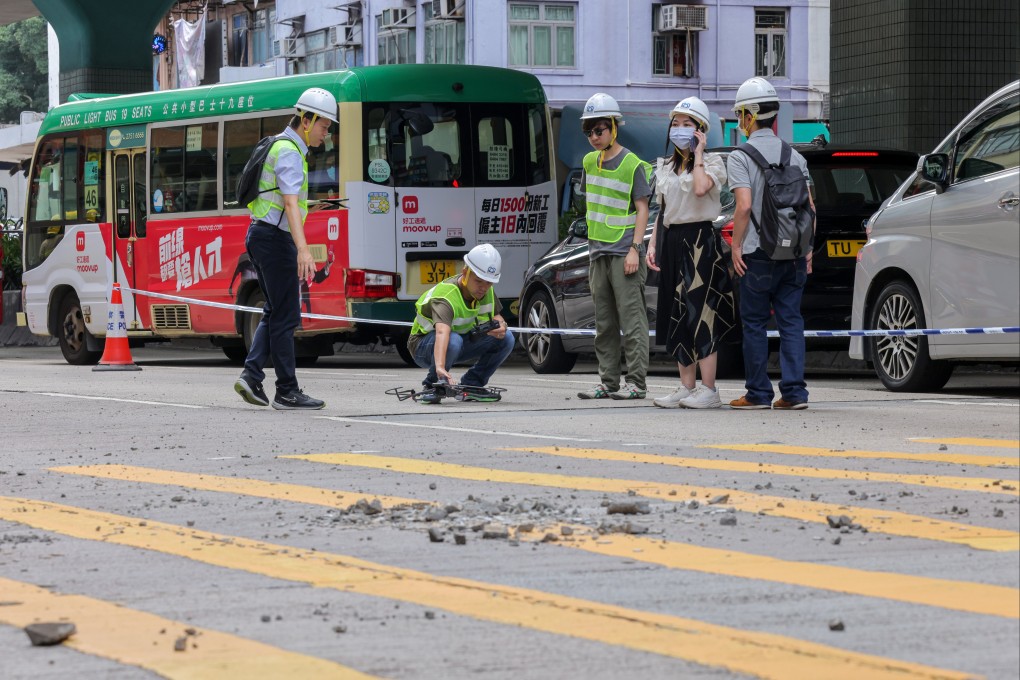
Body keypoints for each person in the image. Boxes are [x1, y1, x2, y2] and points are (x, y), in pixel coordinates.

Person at [233, 87, 337, 411]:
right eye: (324, 125)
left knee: (275, 310)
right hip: (274, 240)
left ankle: (251, 376)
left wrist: (309, 207)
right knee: (287, 313)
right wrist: (303, 250)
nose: (326, 133)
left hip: (262, 234)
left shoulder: (281, 145)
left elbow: (282, 198)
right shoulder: (291, 150)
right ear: (307, 120)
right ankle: (286, 391)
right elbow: (289, 202)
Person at [726, 77, 814, 410]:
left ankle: (759, 394)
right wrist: (807, 250)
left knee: (754, 323)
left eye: (740, 114)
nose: (739, 121)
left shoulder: (740, 157)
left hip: (756, 255)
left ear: (749, 115)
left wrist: (736, 247)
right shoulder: (796, 156)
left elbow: (744, 206)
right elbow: (810, 208)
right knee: (791, 321)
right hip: (792, 253)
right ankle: (794, 394)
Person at [647, 97, 736, 409]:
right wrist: (652, 244)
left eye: (687, 124)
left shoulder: (711, 164)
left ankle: (709, 388)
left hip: (699, 239)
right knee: (676, 312)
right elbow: (662, 210)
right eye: (676, 123)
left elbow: (700, 189)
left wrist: (698, 154)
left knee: (702, 311)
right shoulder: (664, 165)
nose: (679, 128)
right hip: (671, 239)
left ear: (701, 130)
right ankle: (686, 386)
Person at [576, 93, 653, 401]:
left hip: (624, 253)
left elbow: (643, 209)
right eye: (589, 131)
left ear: (613, 128)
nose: (594, 137)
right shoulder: (587, 163)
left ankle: (636, 383)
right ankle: (608, 382)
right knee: (604, 323)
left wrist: (636, 248)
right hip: (597, 253)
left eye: (599, 130)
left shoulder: (632, 164)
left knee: (632, 321)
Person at [407, 244, 515, 404]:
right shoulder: (446, 296)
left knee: (507, 338)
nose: (484, 288)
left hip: (459, 341)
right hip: (423, 346)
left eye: (489, 283)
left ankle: (472, 384)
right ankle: (433, 385)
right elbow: (442, 333)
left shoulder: (485, 290)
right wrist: (440, 368)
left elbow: (497, 317)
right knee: (453, 340)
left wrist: (501, 326)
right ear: (465, 273)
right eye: (479, 281)